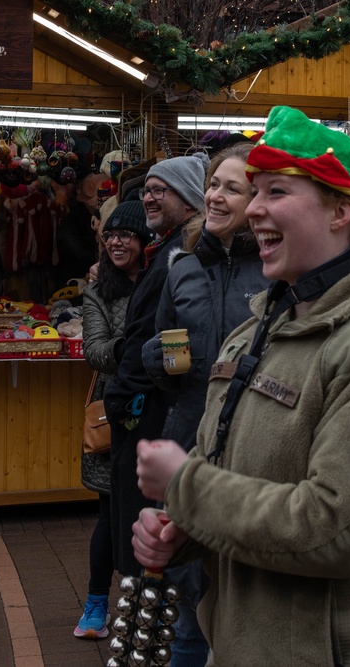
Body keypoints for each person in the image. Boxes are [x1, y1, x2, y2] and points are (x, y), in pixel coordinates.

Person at [131, 105, 350, 665]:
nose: (252, 209)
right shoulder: (256, 332)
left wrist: (187, 487)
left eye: (275, 192)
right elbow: (234, 476)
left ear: (340, 211)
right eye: (253, 192)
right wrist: (183, 527)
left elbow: (337, 531)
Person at [140, 142, 269, 666]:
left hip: (252, 451)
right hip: (190, 437)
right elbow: (161, 350)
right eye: (213, 184)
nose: (214, 196)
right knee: (189, 606)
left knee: (249, 601)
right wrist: (159, 358)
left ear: (257, 202)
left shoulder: (274, 270)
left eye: (230, 188)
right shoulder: (183, 269)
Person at [103, 153, 209, 579]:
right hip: (147, 404)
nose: (148, 197)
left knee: (145, 529)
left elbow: (175, 339)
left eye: (159, 190)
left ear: (187, 200)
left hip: (152, 409)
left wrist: (126, 396)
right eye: (146, 189)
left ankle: (145, 620)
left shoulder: (180, 257)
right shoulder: (166, 249)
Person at [75, 200, 152, 639]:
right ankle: (95, 603)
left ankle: (146, 601)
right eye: (112, 235)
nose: (117, 241)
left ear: (144, 242)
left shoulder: (163, 280)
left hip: (158, 408)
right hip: (115, 409)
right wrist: (136, 346)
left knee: (151, 511)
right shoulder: (97, 290)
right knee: (110, 514)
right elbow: (95, 351)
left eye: (127, 234)